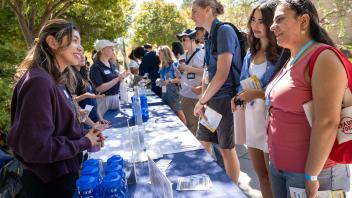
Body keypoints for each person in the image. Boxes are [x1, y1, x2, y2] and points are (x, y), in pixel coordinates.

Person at [7, 19, 106, 197]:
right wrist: (84, 142)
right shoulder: (39, 82)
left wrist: (86, 136)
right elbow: (37, 147)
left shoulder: (54, 79)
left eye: (80, 42)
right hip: (48, 185)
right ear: (53, 42)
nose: (80, 47)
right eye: (74, 40)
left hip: (60, 178)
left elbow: (57, 130)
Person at [266, 0, 350, 197]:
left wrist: (311, 176)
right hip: (281, 169)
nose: (272, 26)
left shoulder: (323, 57)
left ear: (304, 21)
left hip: (314, 175)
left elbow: (327, 121)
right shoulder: (290, 60)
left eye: (280, 19)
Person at [231, 1, 280, 197]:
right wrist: (237, 97)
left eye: (261, 21)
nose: (256, 25)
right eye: (253, 20)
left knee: (274, 177)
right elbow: (242, 84)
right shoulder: (249, 54)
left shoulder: (281, 54)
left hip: (271, 123)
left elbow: (282, 92)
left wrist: (259, 94)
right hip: (251, 120)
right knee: (261, 176)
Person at [191, 0, 242, 183]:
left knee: (226, 149)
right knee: (202, 143)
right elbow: (208, 73)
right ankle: (208, 185)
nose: (192, 15)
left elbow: (222, 74)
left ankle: (232, 191)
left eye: (195, 11)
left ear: (208, 10)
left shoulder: (224, 31)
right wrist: (203, 99)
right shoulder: (209, 36)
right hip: (211, 100)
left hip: (225, 99)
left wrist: (202, 101)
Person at [90, 39, 128, 118]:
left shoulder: (112, 65)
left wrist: (122, 78)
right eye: (110, 47)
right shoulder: (95, 67)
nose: (113, 49)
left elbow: (115, 81)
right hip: (104, 101)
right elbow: (99, 88)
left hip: (116, 98)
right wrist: (117, 79)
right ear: (102, 50)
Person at [177, 28, 205, 135]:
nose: (182, 42)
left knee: (204, 129)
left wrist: (189, 69)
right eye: (181, 40)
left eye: (185, 39)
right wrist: (179, 72)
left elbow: (206, 73)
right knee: (190, 126)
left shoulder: (203, 53)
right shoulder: (183, 56)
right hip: (186, 95)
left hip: (200, 96)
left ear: (193, 39)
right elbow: (184, 76)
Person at [157, 45, 187, 124]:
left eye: (159, 53)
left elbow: (180, 79)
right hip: (165, 94)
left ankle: (186, 130)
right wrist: (160, 81)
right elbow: (163, 79)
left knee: (179, 112)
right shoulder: (162, 66)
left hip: (174, 94)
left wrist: (169, 81)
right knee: (170, 114)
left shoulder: (175, 64)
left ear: (165, 54)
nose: (158, 55)